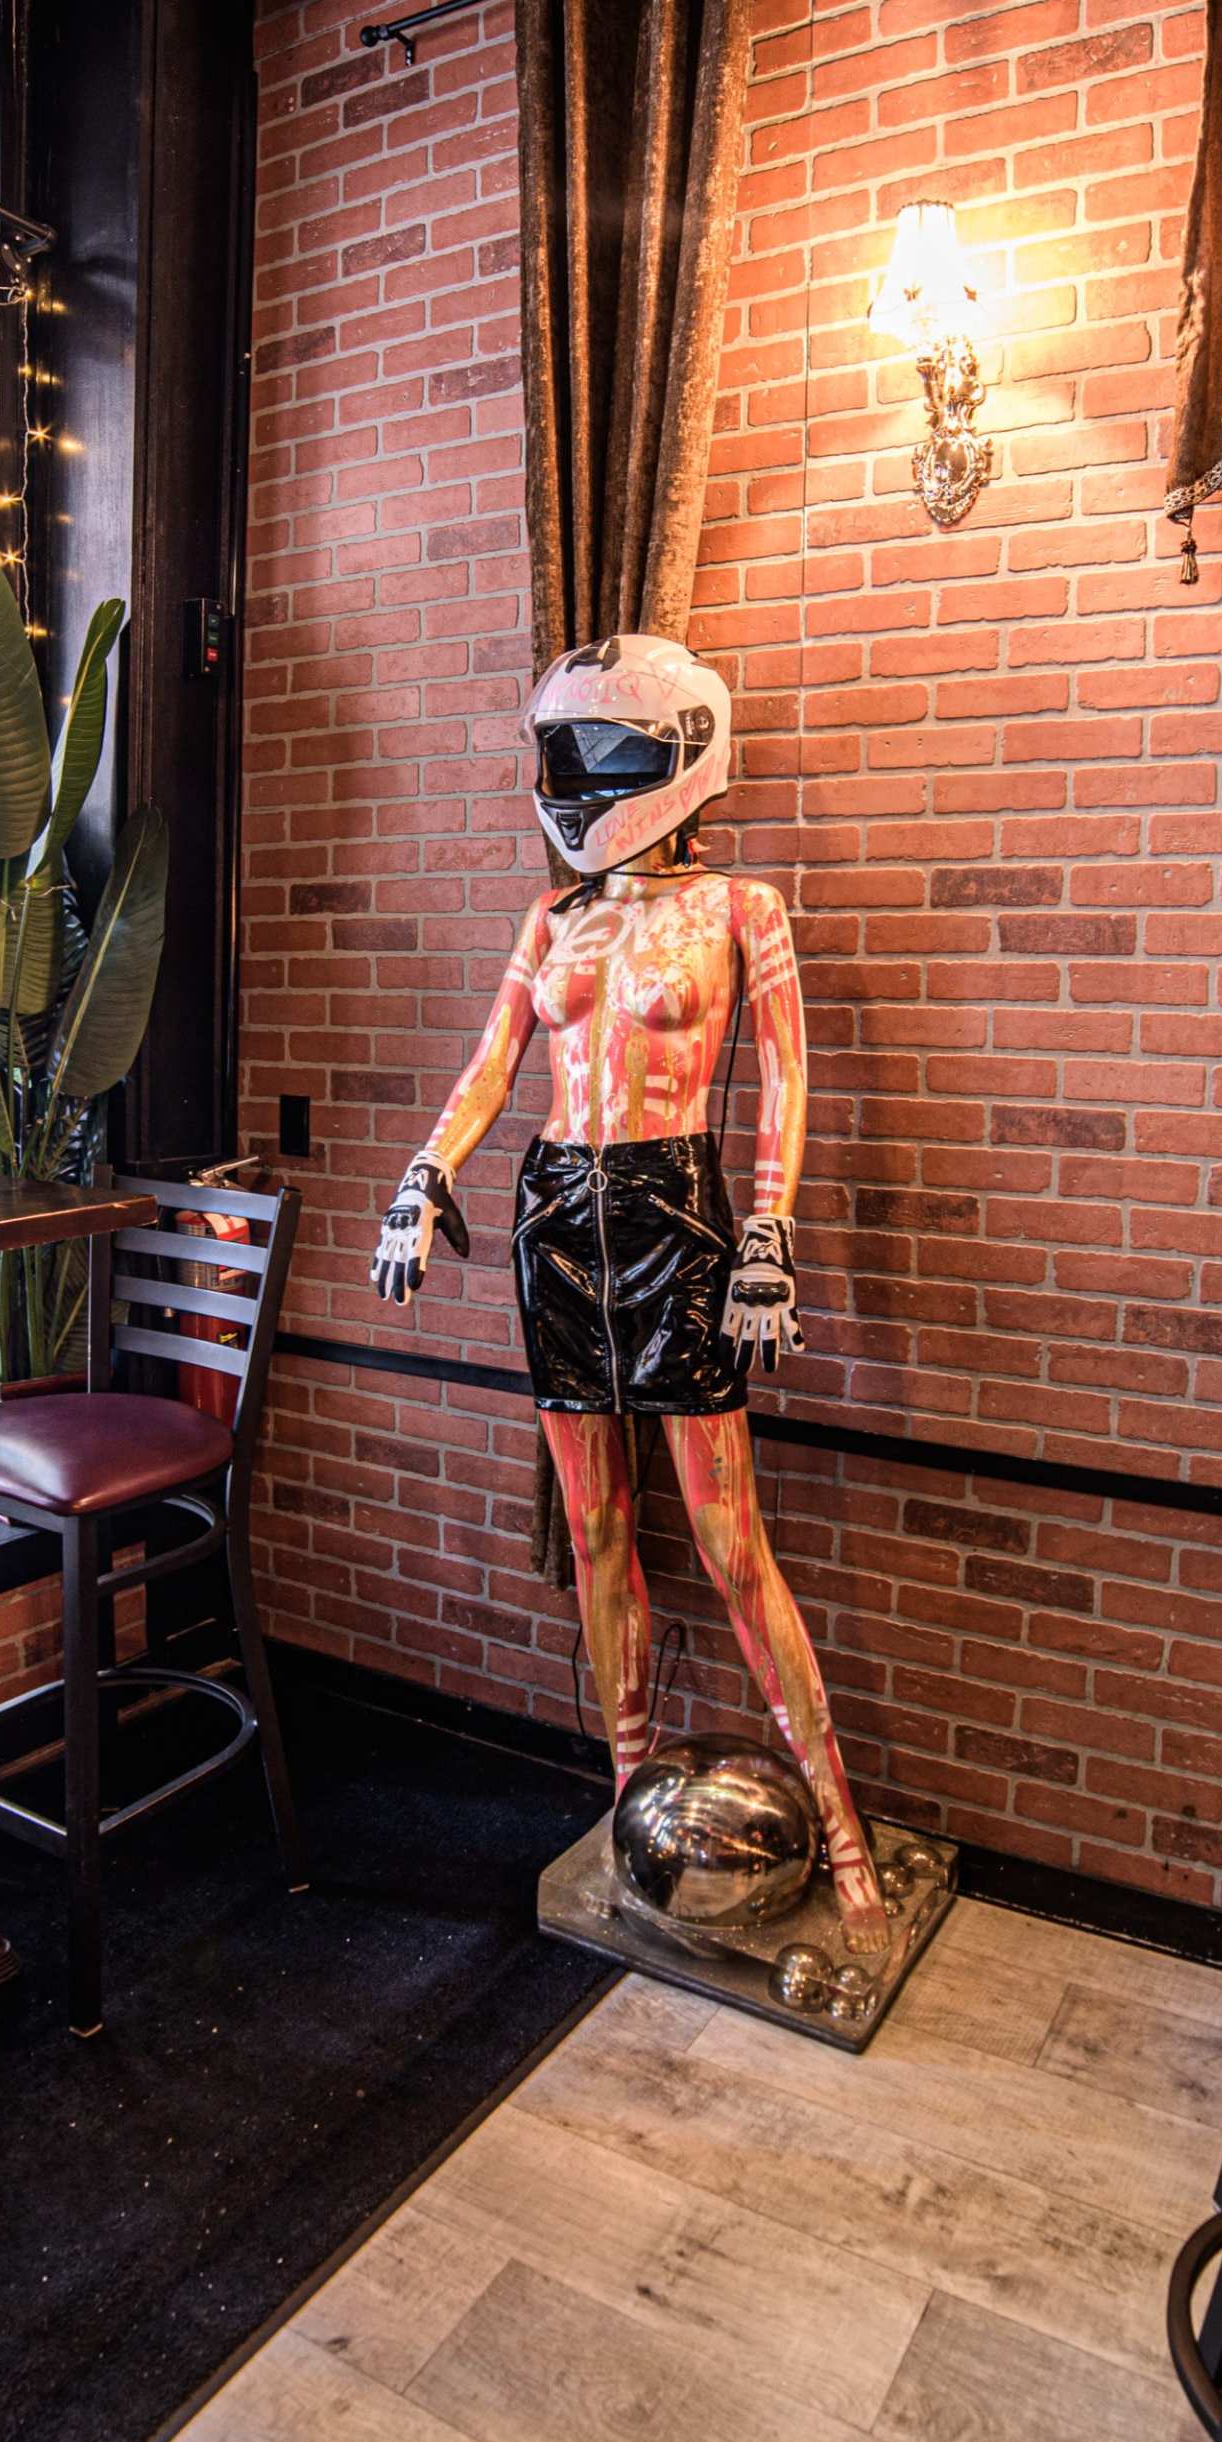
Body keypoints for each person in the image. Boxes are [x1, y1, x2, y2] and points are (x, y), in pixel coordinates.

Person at [370, 634, 890, 1952]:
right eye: (569, 753)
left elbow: (787, 1077)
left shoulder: (743, 908)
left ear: (684, 754)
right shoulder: (550, 919)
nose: (583, 780)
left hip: (676, 1213)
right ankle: (625, 1800)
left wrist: (768, 1234)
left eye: (608, 752)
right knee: (600, 1530)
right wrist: (425, 1176)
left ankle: (842, 1832)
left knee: (728, 1543)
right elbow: (493, 1064)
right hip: (558, 1218)